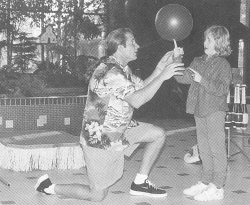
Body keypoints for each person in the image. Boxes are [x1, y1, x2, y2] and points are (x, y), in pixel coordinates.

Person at [34, 28, 184, 201]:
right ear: (120, 47)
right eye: (133, 42)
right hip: (100, 137)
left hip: (120, 128)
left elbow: (141, 87)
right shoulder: (110, 72)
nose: (138, 45)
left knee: (157, 135)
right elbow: (137, 100)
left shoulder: (121, 68)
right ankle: (49, 187)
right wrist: (163, 76)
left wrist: (160, 68)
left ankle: (140, 183)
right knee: (97, 195)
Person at [175, 25, 232, 201]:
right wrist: (177, 58)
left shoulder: (223, 64)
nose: (204, 42)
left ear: (219, 42)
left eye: (209, 39)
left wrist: (202, 80)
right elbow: (181, 77)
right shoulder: (198, 61)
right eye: (205, 39)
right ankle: (206, 182)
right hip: (199, 110)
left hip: (214, 110)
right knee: (204, 149)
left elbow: (222, 89)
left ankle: (218, 186)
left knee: (216, 149)